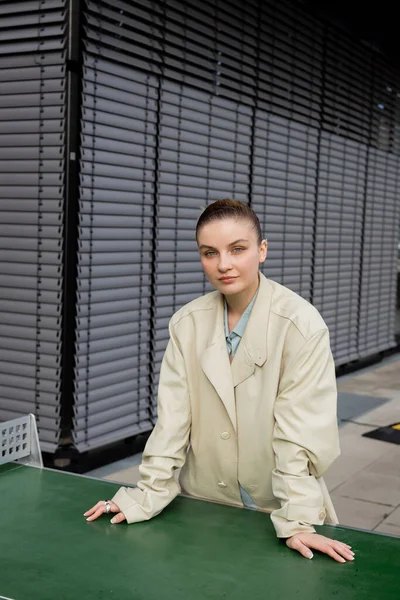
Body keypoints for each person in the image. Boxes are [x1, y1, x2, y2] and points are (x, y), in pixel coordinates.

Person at [84, 199, 354, 563]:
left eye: (237, 249)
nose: (223, 264)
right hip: (203, 506)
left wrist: (299, 522)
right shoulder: (187, 324)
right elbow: (173, 422)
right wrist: (147, 494)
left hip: (275, 510)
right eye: (209, 253)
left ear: (262, 251)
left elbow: (299, 436)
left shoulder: (301, 326)